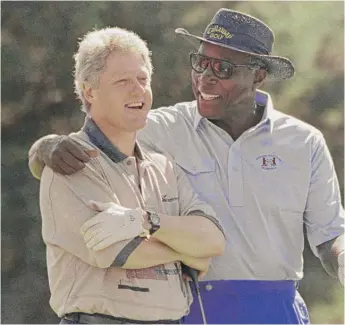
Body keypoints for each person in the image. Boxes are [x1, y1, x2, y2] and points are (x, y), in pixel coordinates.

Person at [30, 8, 344, 325]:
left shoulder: (304, 142)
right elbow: (100, 128)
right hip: (194, 309)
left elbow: (330, 234)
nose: (205, 76)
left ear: (258, 75)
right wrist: (44, 147)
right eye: (200, 63)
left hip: (277, 310)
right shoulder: (162, 126)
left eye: (222, 68)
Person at [38, 27, 226, 324]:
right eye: (122, 81)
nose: (137, 90)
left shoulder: (165, 168)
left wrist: (145, 222)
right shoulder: (71, 162)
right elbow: (120, 251)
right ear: (89, 91)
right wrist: (188, 254)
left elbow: (213, 241)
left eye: (143, 79)